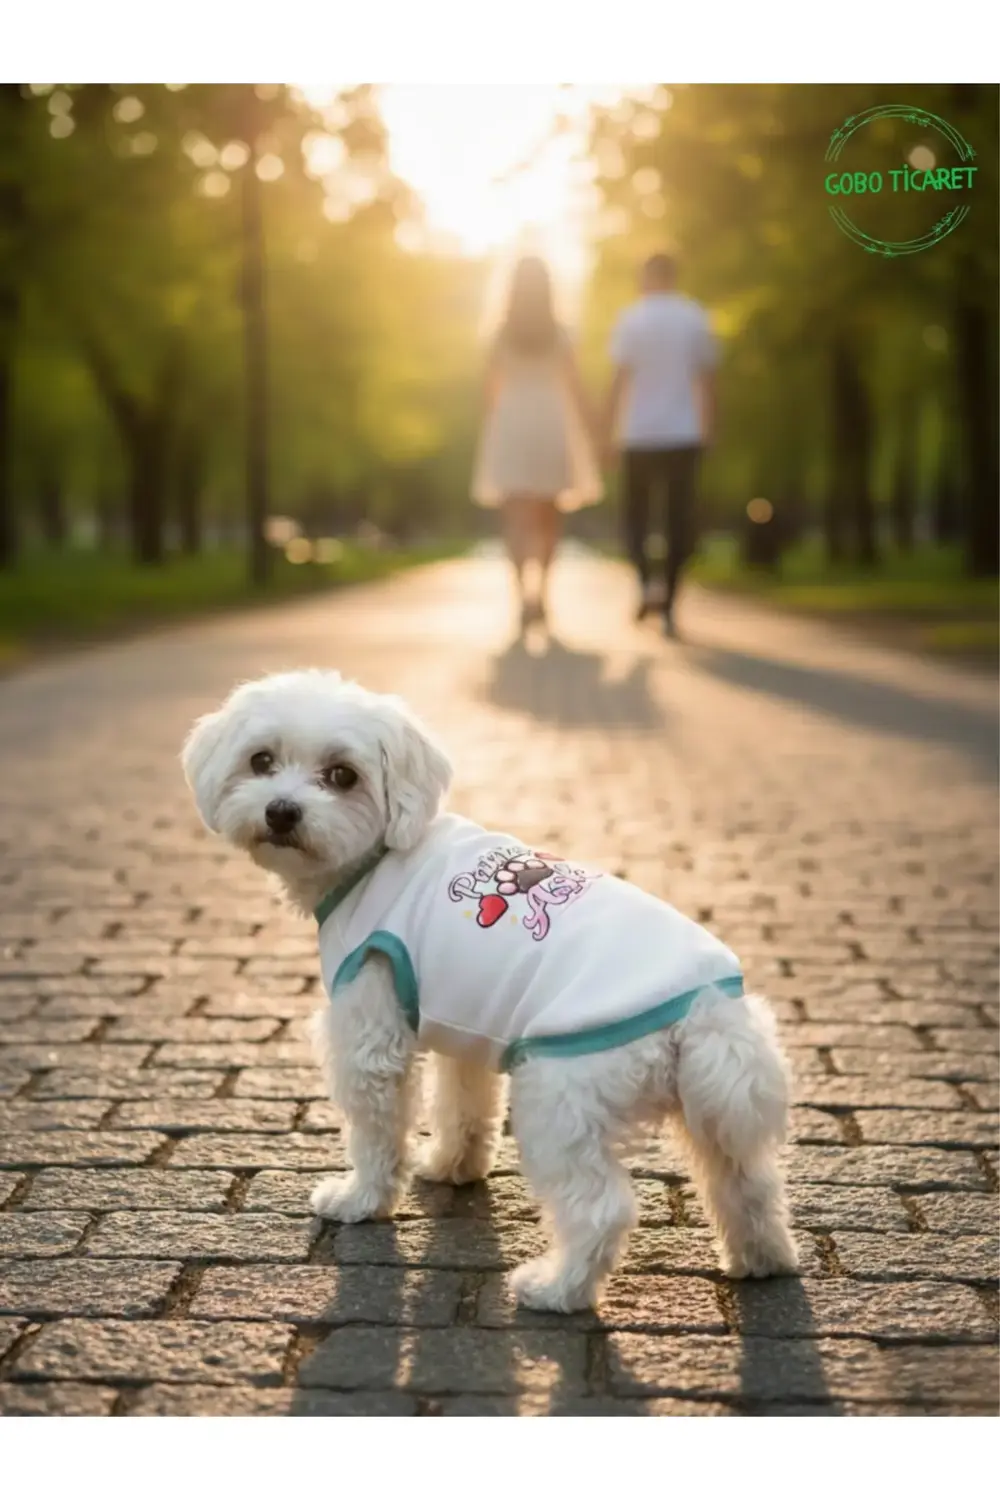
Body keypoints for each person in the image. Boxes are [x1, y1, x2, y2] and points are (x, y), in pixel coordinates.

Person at [472, 256, 602, 631]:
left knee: (515, 514)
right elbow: (574, 385)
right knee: (548, 515)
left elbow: (489, 389)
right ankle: (542, 593)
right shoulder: (561, 333)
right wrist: (593, 428)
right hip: (550, 418)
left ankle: (520, 597)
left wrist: (491, 425)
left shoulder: (499, 333)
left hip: (512, 419)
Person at [603, 252, 717, 637]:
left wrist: (606, 431)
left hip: (637, 433)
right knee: (678, 519)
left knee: (635, 518)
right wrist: (708, 428)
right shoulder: (694, 317)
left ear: (646, 277)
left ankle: (645, 583)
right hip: (683, 433)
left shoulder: (631, 318)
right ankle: (668, 602)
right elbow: (706, 379)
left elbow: (619, 379)